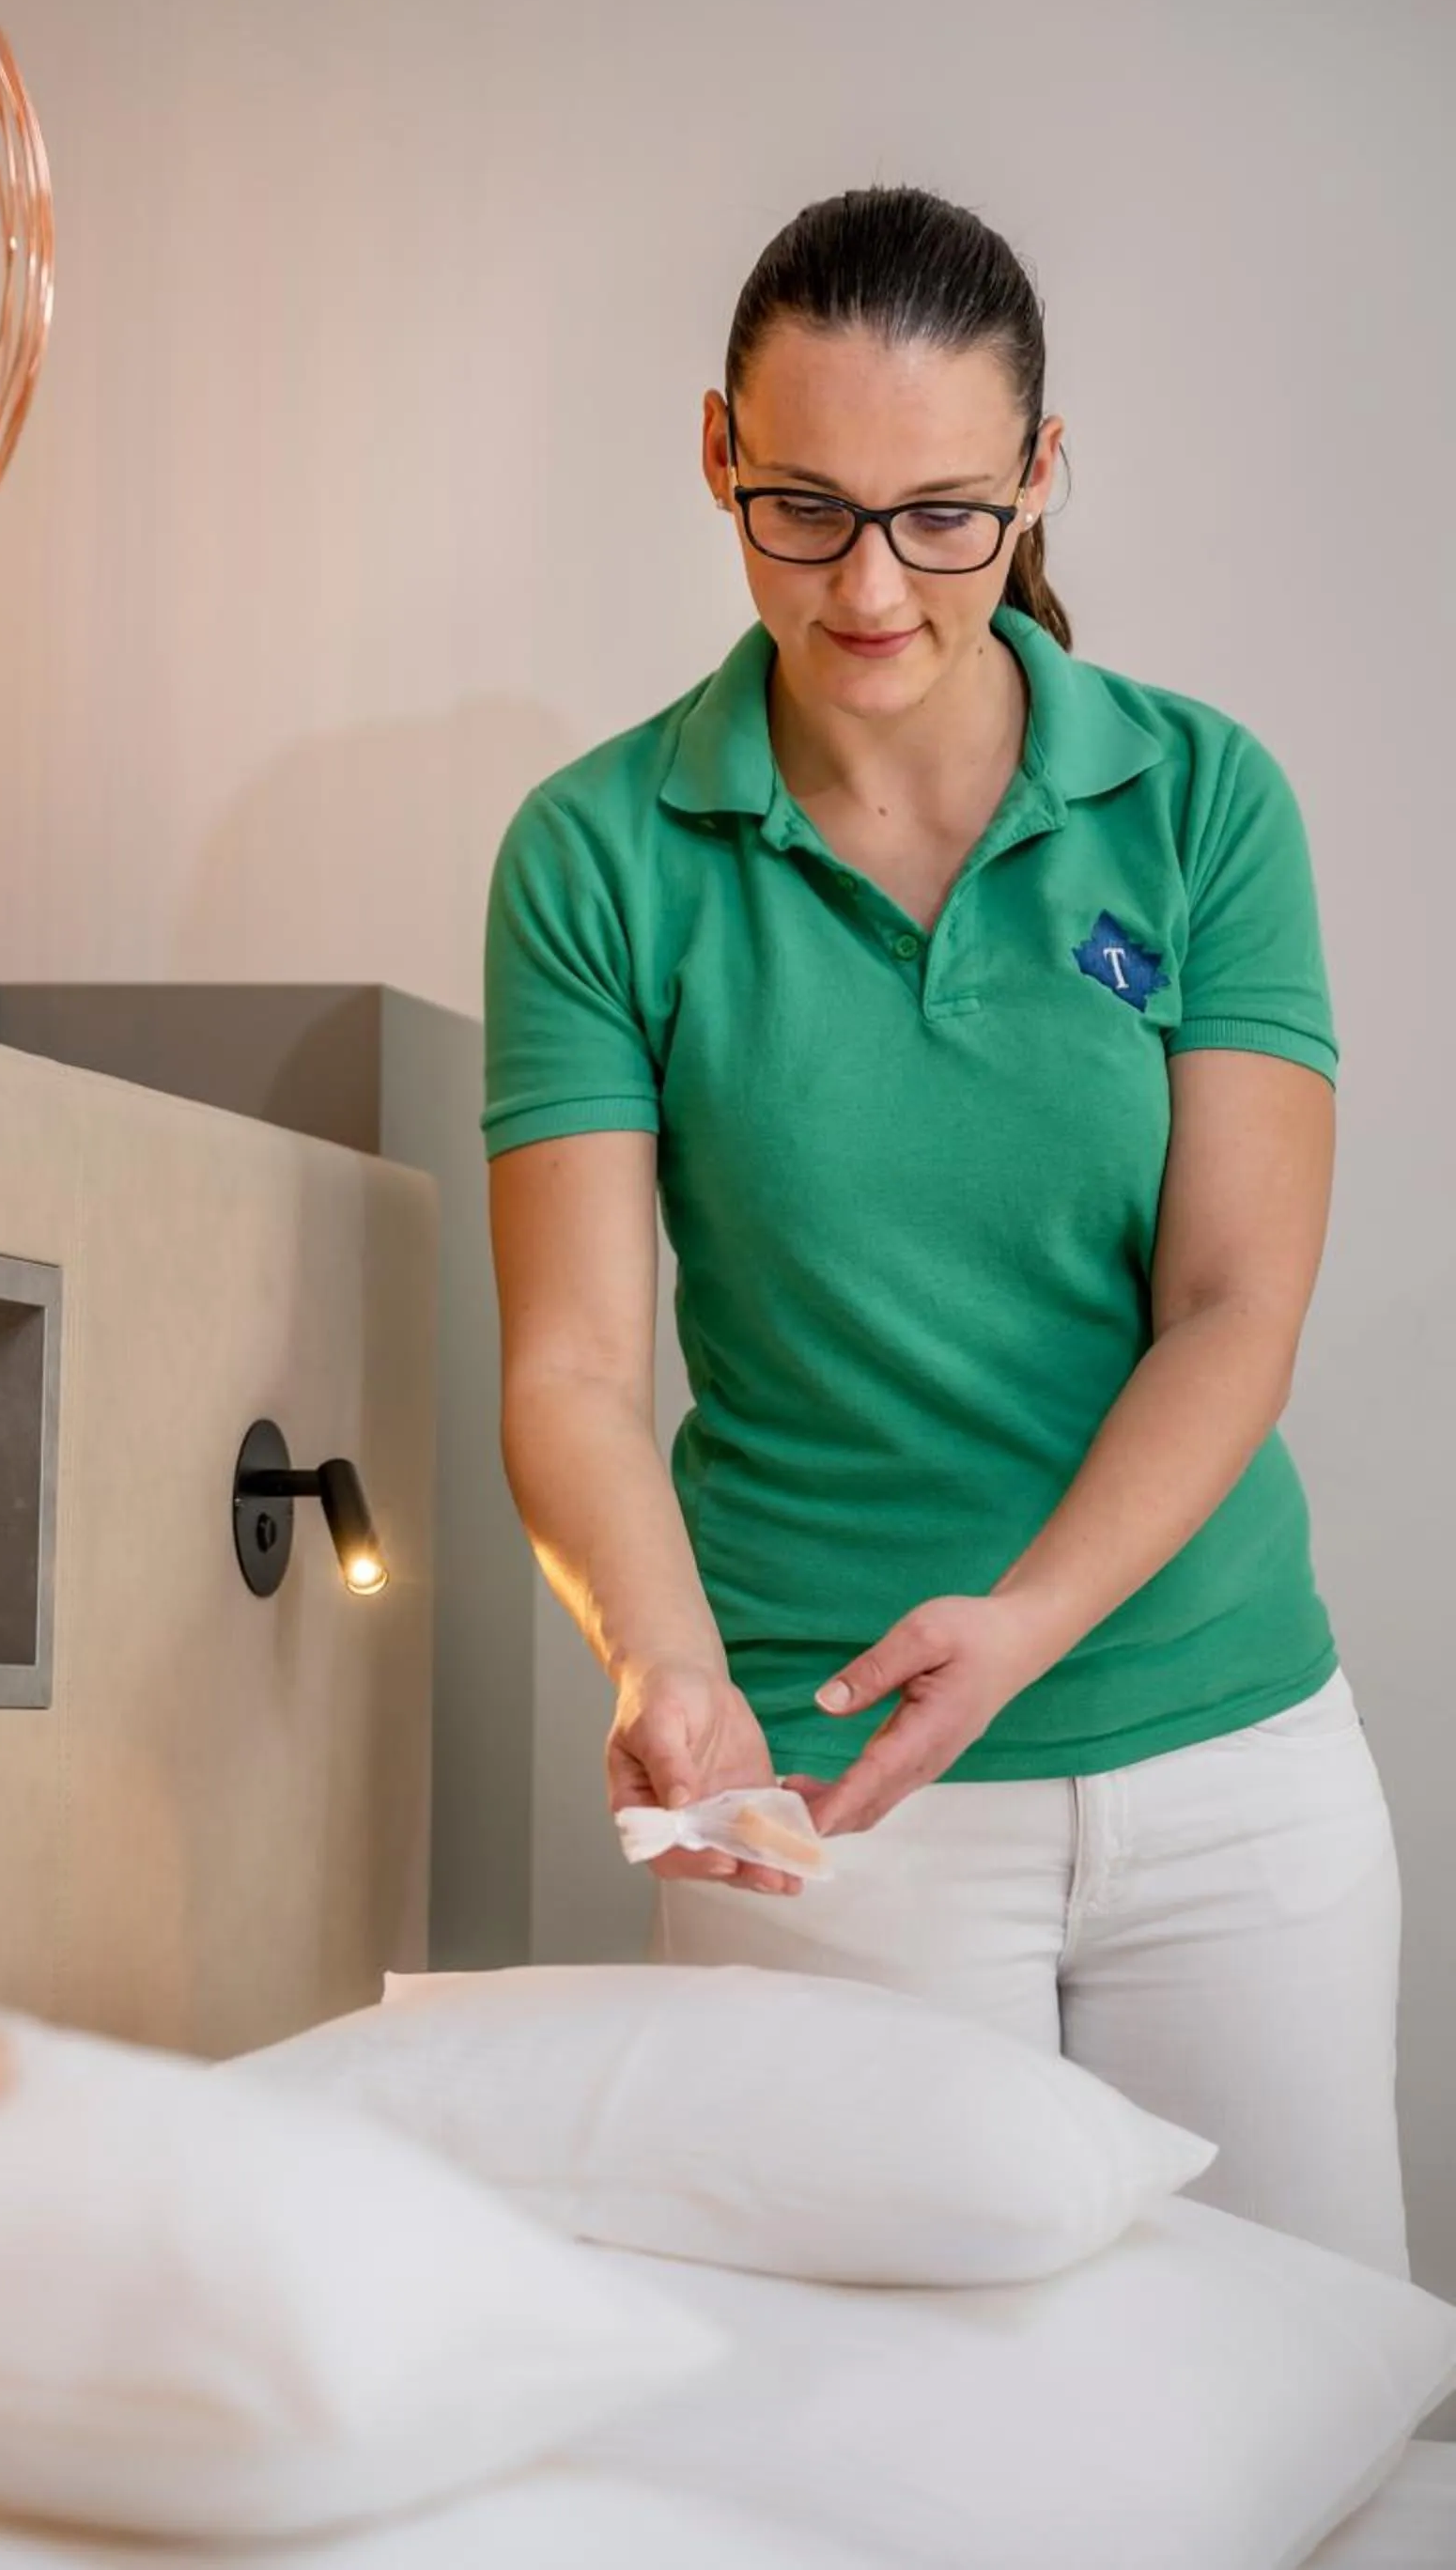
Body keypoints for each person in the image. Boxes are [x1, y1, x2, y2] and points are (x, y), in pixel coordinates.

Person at [481, 183, 1408, 2280]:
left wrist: (1030, 1623)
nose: (874, 585)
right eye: (803, 506)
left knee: (1316, 2401)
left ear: (1038, 480)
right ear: (716, 448)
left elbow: (1235, 1303)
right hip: (814, 1794)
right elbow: (574, 1365)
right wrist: (665, 1663)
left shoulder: (1199, 801)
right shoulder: (598, 854)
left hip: (1224, 1768)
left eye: (945, 515)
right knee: (876, 2457)